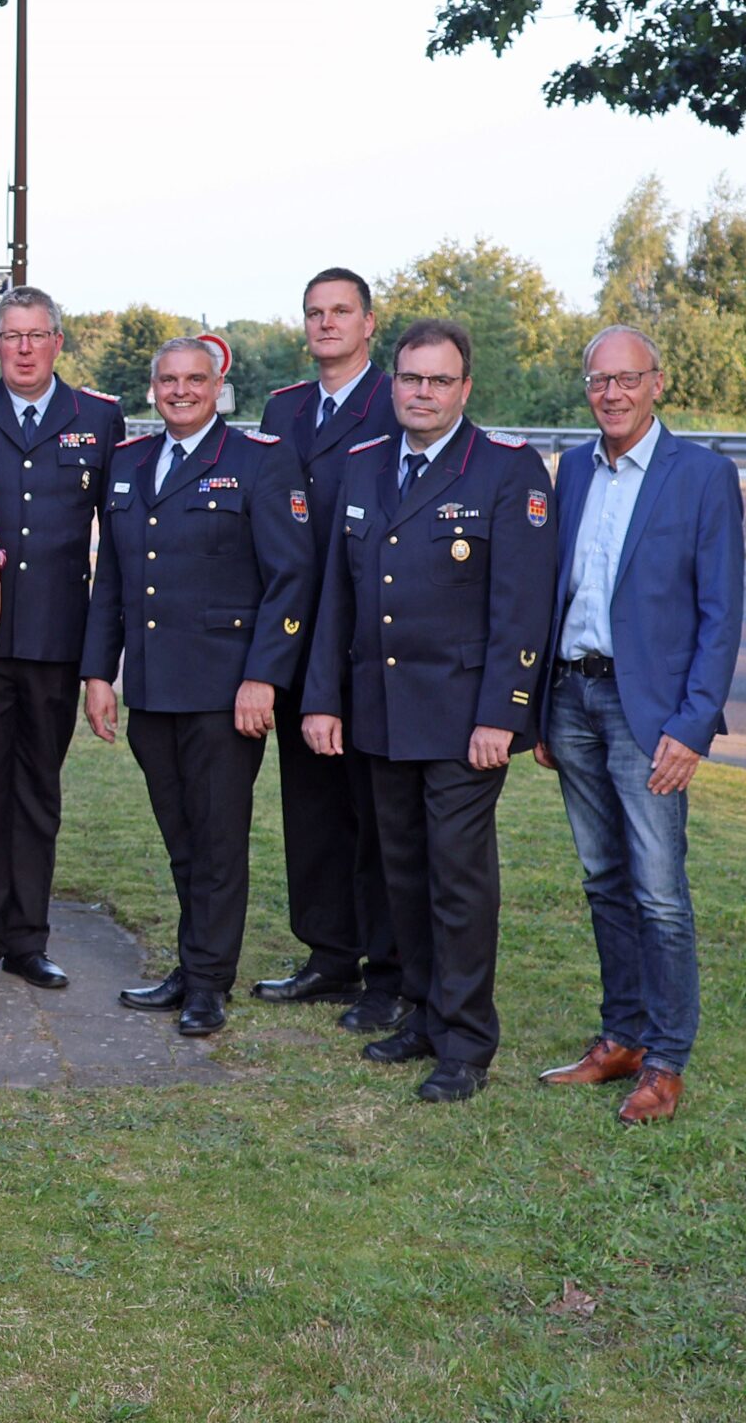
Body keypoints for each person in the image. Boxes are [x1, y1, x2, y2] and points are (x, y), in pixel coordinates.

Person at [301, 318, 555, 1103]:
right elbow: (336, 598)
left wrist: (502, 715)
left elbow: (522, 609)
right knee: (400, 873)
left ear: (465, 388)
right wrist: (323, 701)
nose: (421, 393)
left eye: (438, 381)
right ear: (394, 382)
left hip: (461, 720)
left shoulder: (509, 472)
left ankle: (467, 1039)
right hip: (378, 711)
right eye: (410, 379)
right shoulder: (367, 464)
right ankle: (419, 1010)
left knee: (457, 881)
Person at [533, 326, 744, 1125]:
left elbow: (721, 614)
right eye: (598, 380)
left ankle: (665, 1058)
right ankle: (619, 1037)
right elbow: (562, 589)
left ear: (658, 383)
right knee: (601, 879)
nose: (612, 394)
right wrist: (544, 705)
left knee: (658, 891)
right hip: (573, 698)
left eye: (627, 379)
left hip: (649, 712)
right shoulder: (573, 471)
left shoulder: (703, 476)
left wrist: (692, 726)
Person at [80, 338, 315, 1038]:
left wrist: (262, 678)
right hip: (152, 686)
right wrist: (100, 672)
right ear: (152, 389)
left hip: (224, 690)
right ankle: (193, 962)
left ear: (219, 388)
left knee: (217, 839)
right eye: (168, 380)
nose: (181, 391)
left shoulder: (258, 460)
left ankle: (210, 983)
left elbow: (290, 577)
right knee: (181, 837)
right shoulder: (127, 463)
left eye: (195, 380)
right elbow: (113, 581)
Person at [0, 285, 125, 994]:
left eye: (37, 335)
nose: (24, 348)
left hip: (54, 640)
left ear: (57, 342)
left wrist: (101, 662)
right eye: (11, 336)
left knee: (38, 791)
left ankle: (27, 938)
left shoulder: (97, 418)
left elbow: (117, 550)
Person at [253, 268, 405, 1031]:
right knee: (309, 807)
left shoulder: (397, 399)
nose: (326, 323)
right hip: (295, 632)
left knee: (372, 811)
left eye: (341, 311)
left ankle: (388, 970)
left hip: (368, 639)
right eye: (314, 312)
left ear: (368, 323)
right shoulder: (284, 408)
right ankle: (329, 954)